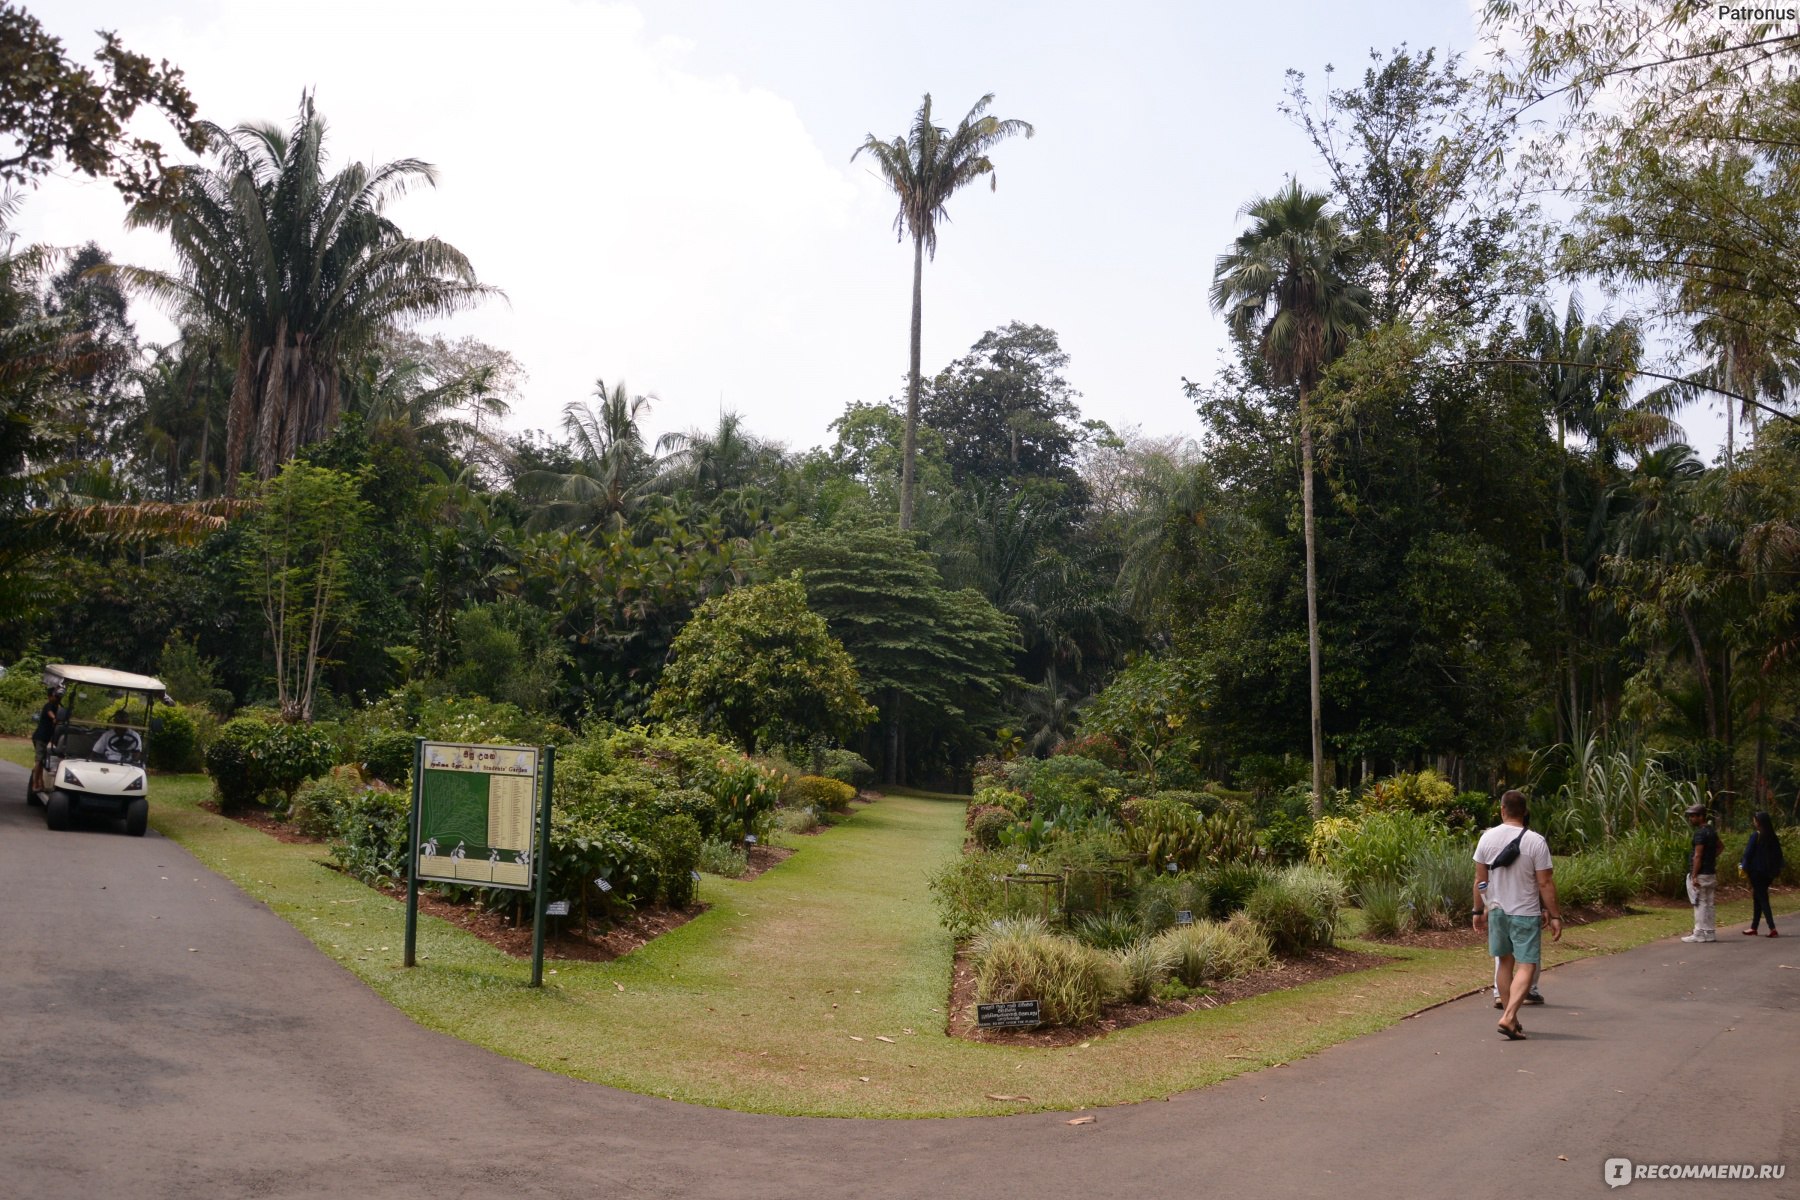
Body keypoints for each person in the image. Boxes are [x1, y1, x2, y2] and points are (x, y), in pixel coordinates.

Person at [1473, 790, 1564, 1040]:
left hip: (1497, 911)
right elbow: (1545, 883)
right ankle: (1509, 1015)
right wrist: (1555, 915)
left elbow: (1480, 880)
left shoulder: (1486, 838)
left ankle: (1511, 1017)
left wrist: (1478, 911)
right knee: (1527, 964)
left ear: (1502, 809)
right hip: (1525, 911)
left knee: (1505, 962)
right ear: (1524, 812)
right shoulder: (1535, 841)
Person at [1740, 810, 1785, 938]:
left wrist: (1744, 868)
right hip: (1769, 873)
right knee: (1757, 897)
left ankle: (1772, 927)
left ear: (1759, 822)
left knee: (1763, 898)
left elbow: (1747, 854)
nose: (1754, 822)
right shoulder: (1772, 836)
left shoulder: (1756, 836)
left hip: (1756, 872)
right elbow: (1779, 856)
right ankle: (1754, 927)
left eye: (1755, 820)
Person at [1682, 803, 1721, 944]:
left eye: (1693, 816)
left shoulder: (1700, 833)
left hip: (1701, 874)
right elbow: (1720, 847)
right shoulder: (1711, 831)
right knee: (1709, 903)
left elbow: (1697, 855)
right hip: (1710, 872)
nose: (1691, 819)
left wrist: (1694, 875)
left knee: (1699, 903)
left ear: (1701, 816)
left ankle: (1698, 932)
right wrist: (1710, 858)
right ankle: (1710, 932)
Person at [28, 687, 60, 792]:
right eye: (55, 695)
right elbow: (50, 712)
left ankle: (40, 783)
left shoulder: (56, 706)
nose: (57, 697)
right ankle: (35, 784)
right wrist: (54, 718)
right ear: (50, 696)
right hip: (41, 737)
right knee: (39, 760)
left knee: (42, 761)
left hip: (44, 738)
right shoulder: (49, 705)